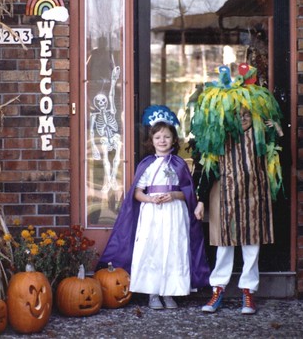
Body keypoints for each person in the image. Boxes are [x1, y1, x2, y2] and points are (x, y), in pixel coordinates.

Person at [191, 63, 284, 315]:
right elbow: (206, 169)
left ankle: (248, 292)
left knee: (252, 243)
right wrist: (200, 200)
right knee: (223, 243)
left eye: (246, 114)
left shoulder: (261, 135)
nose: (242, 118)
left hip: (254, 194)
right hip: (225, 196)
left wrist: (274, 130)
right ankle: (217, 289)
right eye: (237, 114)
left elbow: (278, 153)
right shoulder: (218, 136)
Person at [97, 105, 210, 309]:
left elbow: (187, 192)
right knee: (153, 249)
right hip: (152, 214)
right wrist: (150, 200)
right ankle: (153, 293)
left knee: (173, 249)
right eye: (158, 137)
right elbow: (138, 192)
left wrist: (173, 195)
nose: (162, 141)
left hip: (174, 211)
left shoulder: (179, 164)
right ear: (152, 141)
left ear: (174, 140)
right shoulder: (147, 164)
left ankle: (170, 292)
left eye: (166, 137)